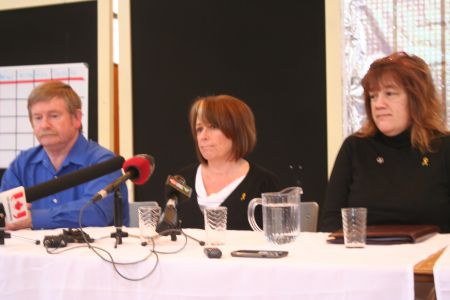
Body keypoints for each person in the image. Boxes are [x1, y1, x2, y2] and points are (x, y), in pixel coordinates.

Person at [320, 51, 450, 233]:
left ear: (417, 99)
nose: (378, 104)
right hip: (364, 259)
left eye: (390, 94)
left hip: (432, 259)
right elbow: (330, 224)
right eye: (373, 96)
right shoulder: (355, 147)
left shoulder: (444, 147)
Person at [0, 81, 129, 230]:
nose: (44, 125)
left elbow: (95, 213)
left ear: (77, 118)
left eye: (54, 116)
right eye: (38, 118)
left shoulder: (104, 163)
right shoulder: (22, 164)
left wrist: (33, 218)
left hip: (94, 253)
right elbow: (4, 212)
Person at [173, 95, 280, 230]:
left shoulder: (264, 184)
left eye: (213, 127)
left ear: (237, 131)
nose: (203, 136)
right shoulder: (180, 181)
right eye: (199, 129)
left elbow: (278, 243)